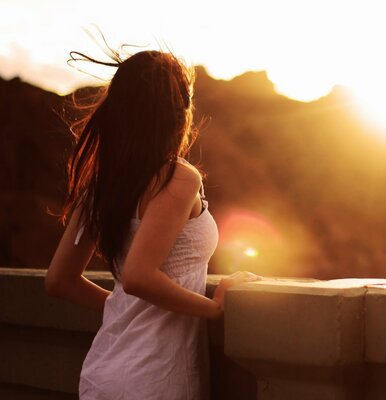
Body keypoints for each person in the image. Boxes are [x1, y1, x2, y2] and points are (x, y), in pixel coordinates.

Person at [44, 49, 260, 399]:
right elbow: (138, 277)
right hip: (155, 378)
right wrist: (216, 308)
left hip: (103, 372)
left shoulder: (102, 183)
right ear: (178, 114)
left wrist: (124, 309)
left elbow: (58, 280)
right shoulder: (178, 178)